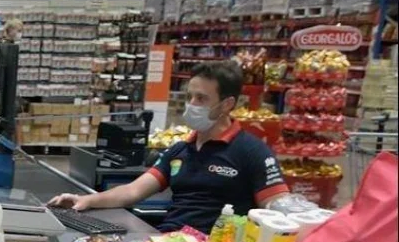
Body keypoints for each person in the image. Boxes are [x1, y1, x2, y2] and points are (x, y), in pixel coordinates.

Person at [49, 62, 289, 233]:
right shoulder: (180, 150)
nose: (191, 105)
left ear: (227, 104)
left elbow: (279, 209)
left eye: (201, 98)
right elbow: (133, 191)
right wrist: (86, 200)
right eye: (189, 97)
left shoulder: (252, 152)